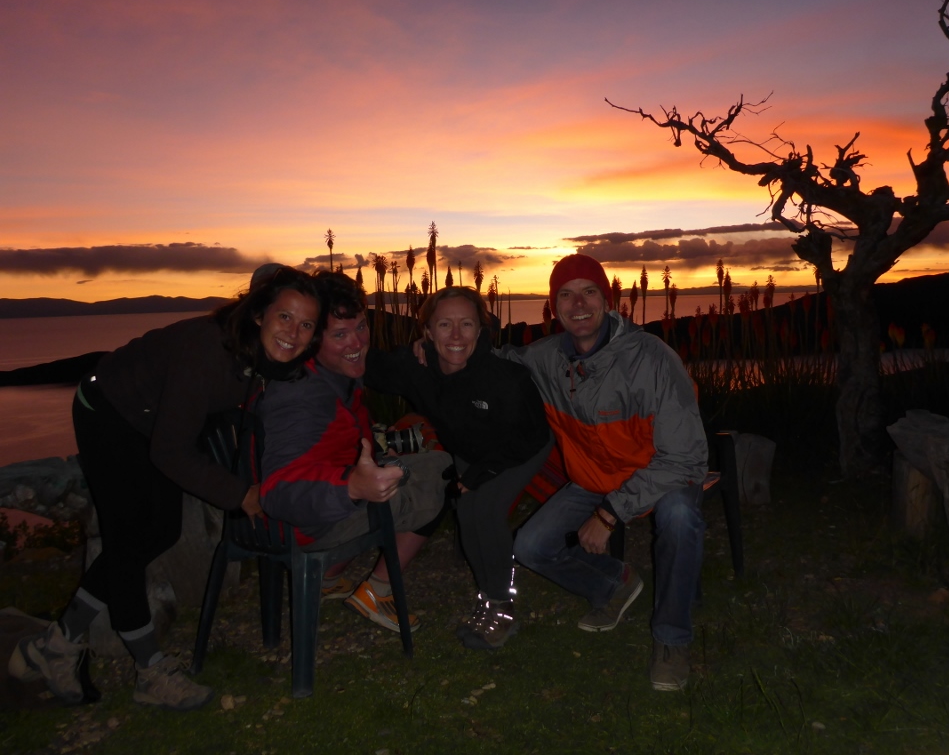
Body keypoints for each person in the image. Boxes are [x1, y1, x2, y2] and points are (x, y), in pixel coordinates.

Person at [8, 265, 323, 710]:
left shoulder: (267, 358)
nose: (294, 332)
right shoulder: (208, 352)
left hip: (152, 420)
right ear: (258, 314)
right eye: (285, 317)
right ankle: (150, 671)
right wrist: (240, 494)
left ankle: (54, 647)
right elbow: (172, 453)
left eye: (306, 324)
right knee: (127, 540)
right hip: (109, 411)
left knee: (159, 532)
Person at [510, 254, 708, 691]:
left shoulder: (653, 358)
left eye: (589, 291)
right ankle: (613, 585)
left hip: (662, 475)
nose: (578, 303)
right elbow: (493, 365)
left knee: (678, 517)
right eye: (565, 294)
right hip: (596, 478)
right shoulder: (544, 359)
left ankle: (672, 639)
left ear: (607, 298)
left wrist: (608, 514)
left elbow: (685, 458)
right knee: (530, 545)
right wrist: (434, 349)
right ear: (553, 304)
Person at [257, 271, 450, 635]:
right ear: (314, 339)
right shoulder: (301, 397)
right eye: (340, 335)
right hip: (310, 524)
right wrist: (352, 487)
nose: (357, 342)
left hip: (325, 504)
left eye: (361, 327)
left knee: (416, 459)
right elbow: (277, 491)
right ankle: (377, 591)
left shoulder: (335, 373)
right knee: (440, 470)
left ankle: (328, 579)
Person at [365, 286, 551, 649]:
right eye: (444, 324)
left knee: (486, 510)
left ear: (480, 331)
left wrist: (480, 474)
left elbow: (530, 436)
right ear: (428, 332)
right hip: (471, 449)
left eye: (466, 324)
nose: (455, 335)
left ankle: (501, 607)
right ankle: (489, 595)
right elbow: (366, 365)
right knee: (468, 513)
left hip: (518, 448)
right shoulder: (416, 369)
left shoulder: (505, 379)